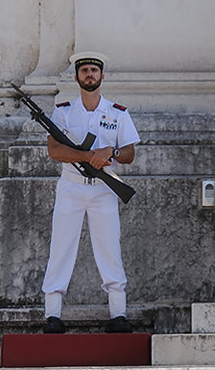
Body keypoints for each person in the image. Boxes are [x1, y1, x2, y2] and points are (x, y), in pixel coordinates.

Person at [40, 52, 140, 333]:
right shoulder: (63, 111)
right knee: (61, 248)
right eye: (84, 70)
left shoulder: (117, 112)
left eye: (94, 71)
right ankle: (52, 314)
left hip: (104, 188)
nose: (89, 75)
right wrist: (86, 157)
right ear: (76, 77)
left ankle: (118, 313)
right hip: (71, 187)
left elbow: (129, 152)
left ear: (102, 77)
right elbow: (55, 150)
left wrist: (111, 152)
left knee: (109, 248)